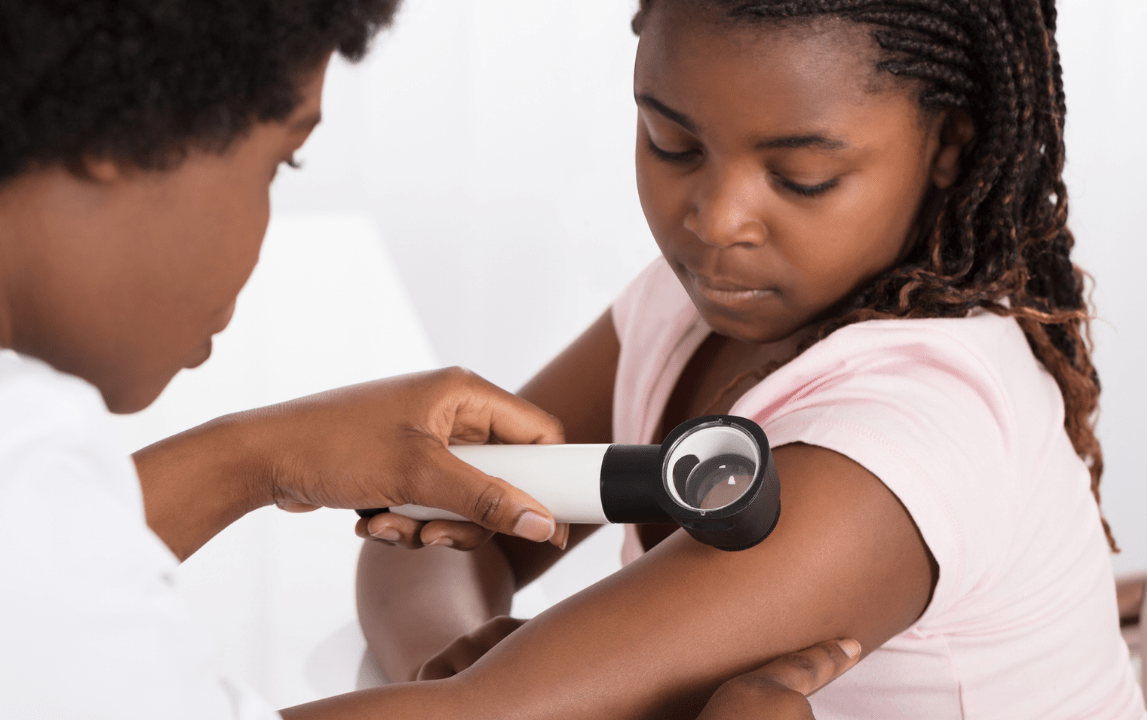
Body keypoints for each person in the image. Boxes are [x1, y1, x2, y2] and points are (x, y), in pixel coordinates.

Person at [0, 1, 854, 718]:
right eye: (279, 159)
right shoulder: (34, 466)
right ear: (124, 128)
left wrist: (254, 459)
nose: (716, 225)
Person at [351, 0, 1147, 718]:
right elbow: (430, 516)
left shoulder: (907, 436)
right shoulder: (700, 303)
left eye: (802, 178)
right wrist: (449, 661)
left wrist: (473, 696)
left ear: (948, 146)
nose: (716, 220)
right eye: (672, 144)